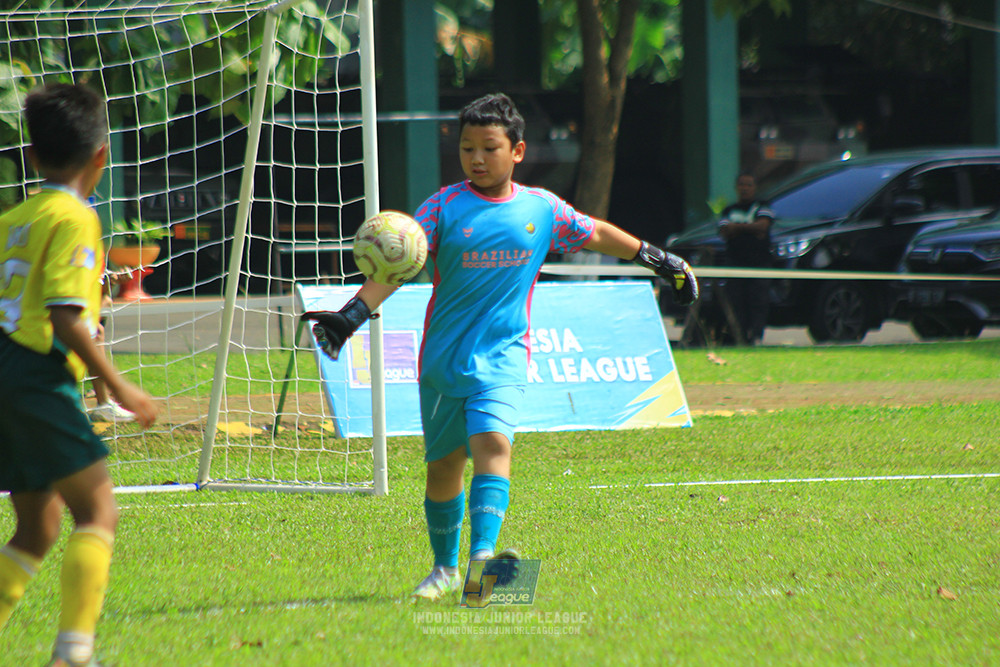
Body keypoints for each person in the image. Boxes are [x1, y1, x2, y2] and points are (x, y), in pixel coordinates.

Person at [304, 93, 698, 601]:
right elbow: (396, 268)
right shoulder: (443, 206)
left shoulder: (541, 208)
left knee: (494, 445)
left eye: (489, 147)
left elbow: (595, 231)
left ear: (517, 151)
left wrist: (659, 259)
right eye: (467, 147)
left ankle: (483, 562)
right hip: (444, 359)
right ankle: (444, 569)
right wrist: (351, 315)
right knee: (444, 467)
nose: (476, 158)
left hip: (506, 355)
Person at [0, 83, 158, 667]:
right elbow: (67, 318)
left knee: (37, 527)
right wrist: (119, 386)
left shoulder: (15, 217)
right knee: (98, 513)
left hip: (4, 372)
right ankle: (73, 655)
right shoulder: (76, 217)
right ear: (102, 155)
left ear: (33, 156)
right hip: (37, 374)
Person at [717, 172, 774, 345]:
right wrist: (750, 228)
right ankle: (739, 337)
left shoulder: (763, 206)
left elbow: (763, 226)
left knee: (758, 301)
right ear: (736, 187)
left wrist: (737, 228)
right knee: (736, 302)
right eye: (742, 184)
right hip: (735, 264)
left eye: (749, 185)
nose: (745, 188)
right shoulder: (729, 210)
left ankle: (756, 336)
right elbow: (724, 232)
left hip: (759, 264)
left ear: (755, 188)